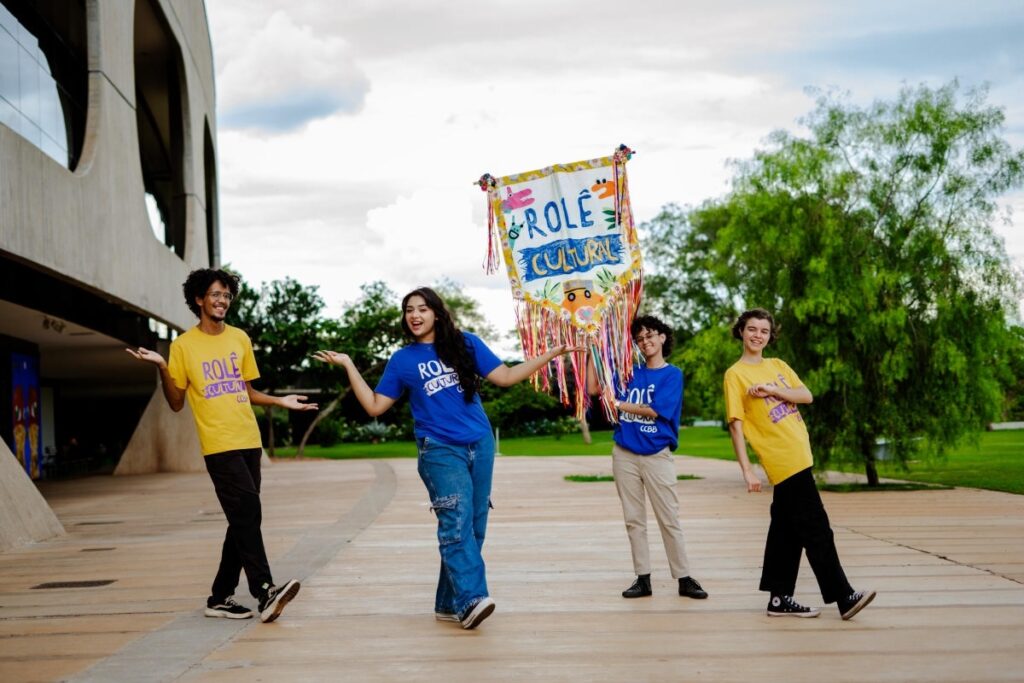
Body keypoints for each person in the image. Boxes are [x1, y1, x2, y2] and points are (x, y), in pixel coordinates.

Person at [314, 286, 579, 630]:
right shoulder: (402, 360)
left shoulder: (466, 343)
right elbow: (376, 406)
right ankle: (471, 599)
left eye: (422, 308)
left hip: (480, 443)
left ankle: (448, 603)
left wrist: (553, 353)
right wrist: (349, 364)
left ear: (436, 313)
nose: (415, 315)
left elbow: (506, 376)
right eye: (409, 310)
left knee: (474, 525)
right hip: (438, 449)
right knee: (455, 521)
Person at [127, 268, 316, 623]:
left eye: (227, 296)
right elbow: (176, 402)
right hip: (219, 444)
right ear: (199, 299)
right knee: (246, 512)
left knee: (242, 517)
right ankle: (264, 591)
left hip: (248, 441)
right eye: (216, 294)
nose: (222, 301)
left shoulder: (240, 338)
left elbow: (247, 392)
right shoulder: (183, 346)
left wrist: (280, 401)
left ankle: (219, 597)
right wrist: (163, 367)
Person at [724, 308, 875, 620]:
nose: (757, 336)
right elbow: (736, 425)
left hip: (800, 453)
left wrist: (773, 389)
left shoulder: (778, 366)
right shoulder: (735, 375)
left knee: (786, 530)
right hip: (782, 459)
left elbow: (806, 395)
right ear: (741, 331)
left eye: (764, 331)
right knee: (817, 528)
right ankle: (844, 596)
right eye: (751, 329)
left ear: (770, 336)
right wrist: (747, 469)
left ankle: (779, 598)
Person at [587, 315, 708, 601]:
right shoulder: (629, 373)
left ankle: (684, 577)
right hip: (625, 453)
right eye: (640, 339)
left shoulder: (672, 374)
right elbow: (594, 389)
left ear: (663, 337)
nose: (646, 342)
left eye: (651, 335)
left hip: (657, 454)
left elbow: (654, 410)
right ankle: (643, 578)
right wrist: (592, 349)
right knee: (634, 520)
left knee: (669, 518)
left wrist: (617, 403)